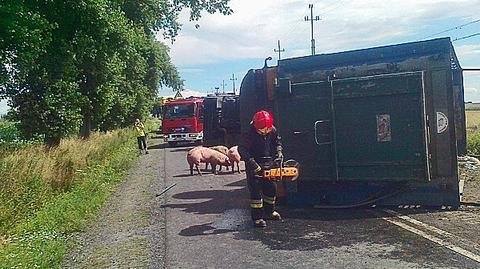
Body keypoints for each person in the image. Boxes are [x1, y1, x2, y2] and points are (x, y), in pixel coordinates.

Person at [238, 110, 283, 228]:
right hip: (254, 163)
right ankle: (257, 218)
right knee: (256, 192)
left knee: (272, 189)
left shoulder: (272, 130)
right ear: (255, 126)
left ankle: (270, 211)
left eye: (266, 130)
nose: (264, 132)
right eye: (261, 130)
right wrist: (254, 165)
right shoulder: (248, 133)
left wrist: (279, 152)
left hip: (269, 162)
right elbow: (242, 150)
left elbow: (277, 142)